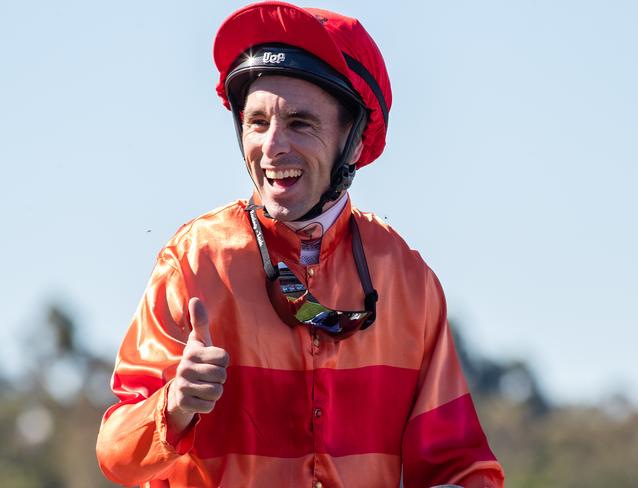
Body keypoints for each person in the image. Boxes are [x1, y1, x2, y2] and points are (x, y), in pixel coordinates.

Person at [96, 2, 505, 487]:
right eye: (258, 122)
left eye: (300, 123)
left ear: (353, 142)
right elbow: (115, 455)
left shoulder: (408, 280)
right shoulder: (193, 261)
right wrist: (176, 404)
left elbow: (459, 468)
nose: (272, 147)